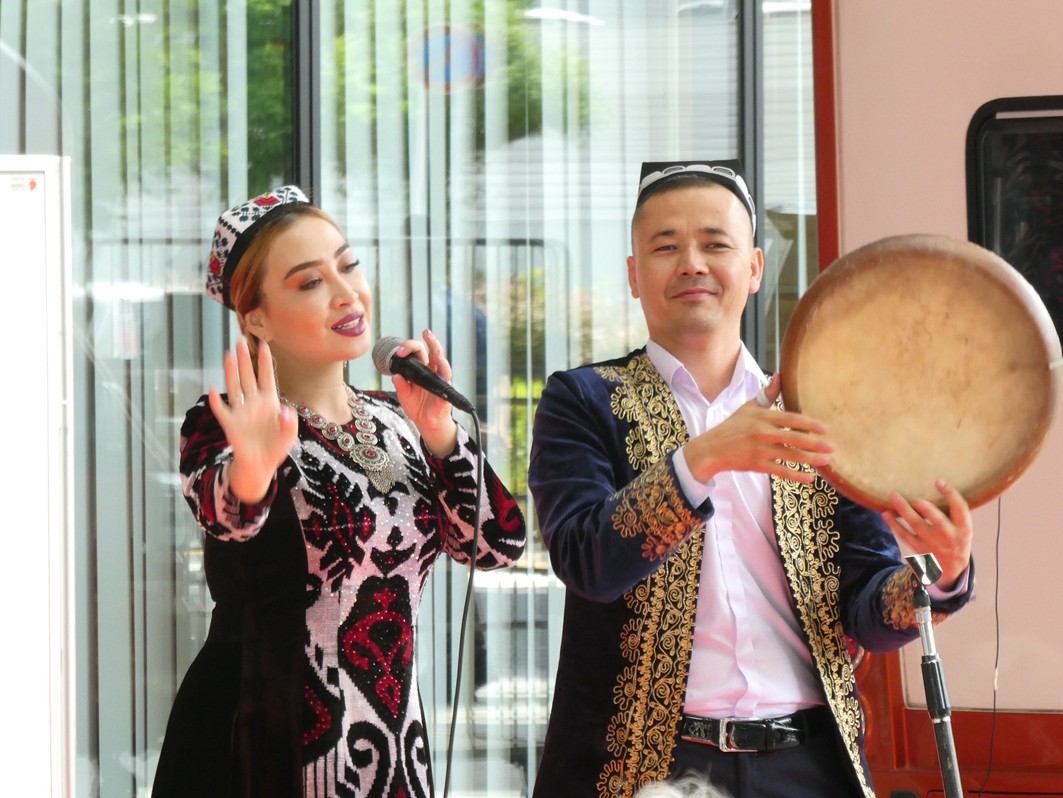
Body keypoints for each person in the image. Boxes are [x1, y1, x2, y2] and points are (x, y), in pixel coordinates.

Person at [527, 161, 974, 798]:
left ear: (756, 268)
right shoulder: (583, 400)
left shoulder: (815, 409)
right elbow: (586, 560)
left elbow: (867, 607)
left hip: (810, 763)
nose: (691, 263)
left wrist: (941, 574)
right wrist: (702, 459)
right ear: (633, 274)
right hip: (645, 769)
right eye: (665, 246)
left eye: (715, 244)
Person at [152, 186, 527, 798]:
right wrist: (253, 466)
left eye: (348, 266)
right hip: (265, 745)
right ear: (256, 317)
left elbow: (497, 546)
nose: (347, 292)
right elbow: (228, 516)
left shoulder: (401, 417)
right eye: (309, 283)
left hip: (394, 743)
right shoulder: (229, 419)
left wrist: (439, 433)